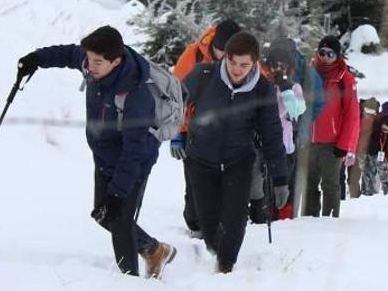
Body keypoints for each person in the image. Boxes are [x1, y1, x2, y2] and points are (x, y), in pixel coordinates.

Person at [17, 26, 176, 278]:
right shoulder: (94, 63)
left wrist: (118, 192)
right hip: (104, 156)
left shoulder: (135, 95)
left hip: (134, 163)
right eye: (89, 59)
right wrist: (36, 59)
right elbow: (68, 54)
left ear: (116, 60)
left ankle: (129, 281)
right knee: (103, 216)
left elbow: (134, 151)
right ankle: (155, 250)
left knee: (120, 222)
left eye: (97, 62)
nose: (89, 65)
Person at [182, 31, 289, 273]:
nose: (237, 70)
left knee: (235, 220)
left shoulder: (262, 90)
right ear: (225, 57)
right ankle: (216, 251)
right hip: (201, 161)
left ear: (254, 63)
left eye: (244, 65)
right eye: (232, 62)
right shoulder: (203, 76)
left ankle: (226, 267)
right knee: (208, 224)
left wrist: (280, 178)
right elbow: (173, 101)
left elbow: (272, 134)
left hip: (238, 162)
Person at [171, 19, 241, 236]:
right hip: (196, 131)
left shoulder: (243, 59)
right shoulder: (193, 55)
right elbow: (175, 97)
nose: (224, 58)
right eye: (221, 51)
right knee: (195, 183)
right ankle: (195, 225)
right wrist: (177, 132)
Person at [305, 36, 360, 217]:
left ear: (338, 56)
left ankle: (329, 221)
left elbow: (352, 116)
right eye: (322, 53)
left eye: (331, 54)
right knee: (309, 183)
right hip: (309, 140)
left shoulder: (345, 79)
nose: (326, 57)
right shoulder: (309, 73)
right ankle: (308, 219)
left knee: (330, 184)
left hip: (332, 143)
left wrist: (344, 145)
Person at [263, 40, 308, 219]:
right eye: (275, 65)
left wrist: (286, 90)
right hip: (265, 146)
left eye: (282, 65)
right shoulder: (264, 86)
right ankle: (266, 216)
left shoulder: (294, 87)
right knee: (266, 189)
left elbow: (297, 110)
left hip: (286, 147)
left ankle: (285, 218)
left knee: (284, 187)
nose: (278, 69)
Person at [352, 97, 379, 198]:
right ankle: (355, 192)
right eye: (367, 113)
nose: (368, 116)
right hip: (357, 149)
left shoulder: (376, 120)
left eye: (371, 114)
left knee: (369, 171)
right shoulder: (358, 117)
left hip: (369, 150)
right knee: (356, 172)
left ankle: (368, 190)